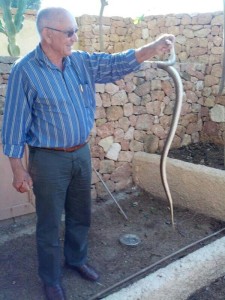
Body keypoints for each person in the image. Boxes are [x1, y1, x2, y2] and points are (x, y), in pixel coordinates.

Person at [1, 6, 175, 300]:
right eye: (70, 32)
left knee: (81, 214)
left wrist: (152, 48)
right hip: (48, 159)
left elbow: (115, 64)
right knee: (49, 221)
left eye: (76, 31)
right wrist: (17, 168)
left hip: (80, 153)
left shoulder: (80, 62)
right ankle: (51, 278)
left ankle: (76, 260)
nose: (75, 37)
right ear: (47, 35)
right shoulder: (25, 70)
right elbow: (14, 123)